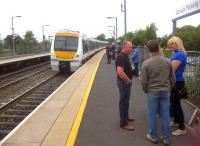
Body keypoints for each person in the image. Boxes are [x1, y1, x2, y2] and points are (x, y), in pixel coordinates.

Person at [140, 40, 175, 146]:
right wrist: (169, 88)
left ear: (148, 49)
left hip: (152, 92)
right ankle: (166, 139)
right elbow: (173, 78)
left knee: (152, 115)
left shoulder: (146, 63)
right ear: (159, 48)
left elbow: (144, 81)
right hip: (165, 92)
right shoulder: (167, 61)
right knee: (165, 114)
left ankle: (154, 136)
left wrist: (146, 90)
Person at [167, 36, 187, 136]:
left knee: (177, 105)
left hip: (177, 83)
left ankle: (182, 127)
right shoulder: (176, 54)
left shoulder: (179, 55)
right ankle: (175, 121)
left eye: (172, 44)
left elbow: (171, 70)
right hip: (175, 82)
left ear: (178, 44)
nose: (170, 46)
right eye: (169, 44)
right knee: (174, 103)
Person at [115, 41, 135, 131]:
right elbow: (120, 72)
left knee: (126, 101)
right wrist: (128, 81)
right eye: (130, 47)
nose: (132, 49)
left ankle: (126, 117)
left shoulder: (125, 56)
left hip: (126, 82)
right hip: (124, 83)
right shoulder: (120, 57)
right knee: (123, 102)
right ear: (125, 47)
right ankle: (123, 123)